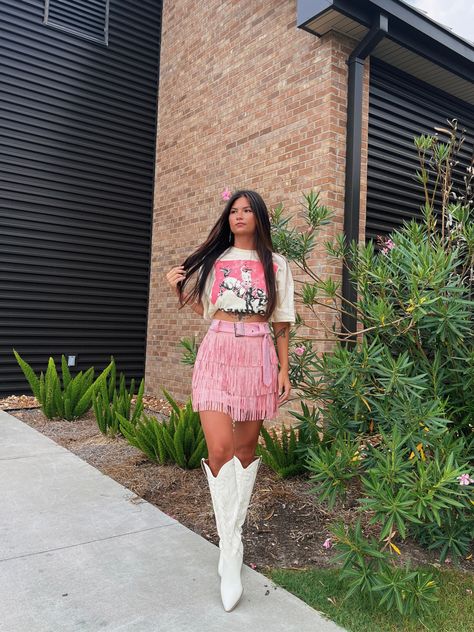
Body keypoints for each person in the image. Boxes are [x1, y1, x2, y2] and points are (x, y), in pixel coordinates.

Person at [165, 189, 295, 612]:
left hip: (258, 351)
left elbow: (281, 322)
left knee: (244, 451)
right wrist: (176, 288)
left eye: (246, 211)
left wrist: (283, 369)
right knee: (219, 450)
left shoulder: (276, 265)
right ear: (228, 217)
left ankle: (231, 544)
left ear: (259, 218)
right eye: (233, 211)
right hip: (218, 349)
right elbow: (199, 307)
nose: (239, 216)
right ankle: (229, 546)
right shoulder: (214, 262)